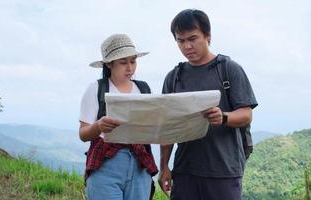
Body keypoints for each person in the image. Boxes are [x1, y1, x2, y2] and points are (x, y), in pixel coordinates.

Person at [158, 9, 258, 200]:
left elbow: (246, 114)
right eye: (181, 40)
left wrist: (224, 117)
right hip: (185, 171)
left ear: (208, 36)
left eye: (193, 38)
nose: (187, 46)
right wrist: (164, 167)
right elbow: (167, 127)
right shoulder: (174, 78)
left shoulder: (229, 69)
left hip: (224, 171)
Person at [79, 33, 158, 200]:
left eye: (133, 61)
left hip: (139, 163)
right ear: (109, 64)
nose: (130, 68)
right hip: (105, 165)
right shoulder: (96, 89)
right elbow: (83, 133)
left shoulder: (143, 89)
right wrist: (99, 126)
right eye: (123, 62)